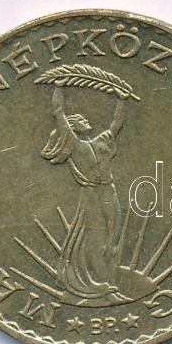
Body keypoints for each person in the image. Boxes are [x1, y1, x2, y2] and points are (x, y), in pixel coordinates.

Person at [41, 87, 127, 299]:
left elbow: (116, 123)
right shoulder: (74, 144)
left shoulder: (101, 141)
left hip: (109, 192)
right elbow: (58, 112)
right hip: (91, 195)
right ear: (72, 127)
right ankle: (93, 284)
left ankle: (109, 280)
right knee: (96, 238)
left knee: (113, 235)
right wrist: (58, 86)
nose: (85, 120)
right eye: (80, 119)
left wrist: (121, 100)